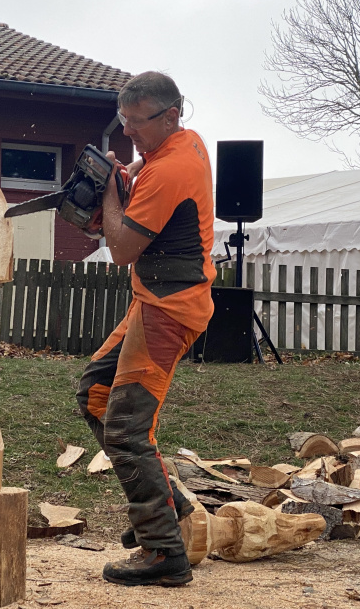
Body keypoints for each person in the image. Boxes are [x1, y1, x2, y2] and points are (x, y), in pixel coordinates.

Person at [76, 71, 216, 587]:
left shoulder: (172, 167)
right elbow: (145, 178)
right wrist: (122, 179)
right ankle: (166, 509)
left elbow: (121, 249)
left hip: (169, 309)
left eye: (137, 123)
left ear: (171, 115)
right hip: (153, 299)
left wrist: (110, 198)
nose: (129, 132)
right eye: (124, 121)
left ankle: (163, 554)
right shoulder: (182, 144)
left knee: (128, 428)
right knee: (95, 394)